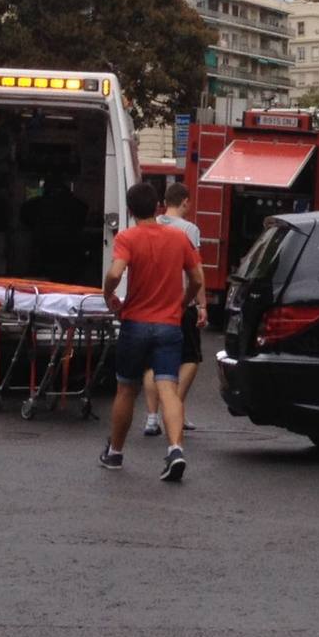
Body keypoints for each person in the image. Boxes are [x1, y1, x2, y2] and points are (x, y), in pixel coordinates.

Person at [99, 183, 203, 482]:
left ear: (130, 211)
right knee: (168, 388)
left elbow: (116, 272)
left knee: (126, 388)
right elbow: (196, 278)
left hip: (135, 323)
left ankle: (115, 453)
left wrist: (110, 296)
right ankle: (174, 449)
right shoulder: (178, 238)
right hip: (169, 324)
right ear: (158, 205)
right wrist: (183, 304)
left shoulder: (127, 238)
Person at [142, 182, 207, 437]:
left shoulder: (152, 223)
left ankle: (151, 417)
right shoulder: (189, 229)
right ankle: (175, 408)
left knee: (152, 362)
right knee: (190, 359)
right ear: (185, 202)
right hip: (180, 302)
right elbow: (196, 271)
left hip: (152, 303)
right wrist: (202, 304)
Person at [20, 174, 88, 285]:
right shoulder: (76, 204)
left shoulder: (34, 204)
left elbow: (24, 219)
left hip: (44, 246)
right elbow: (82, 219)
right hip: (67, 247)